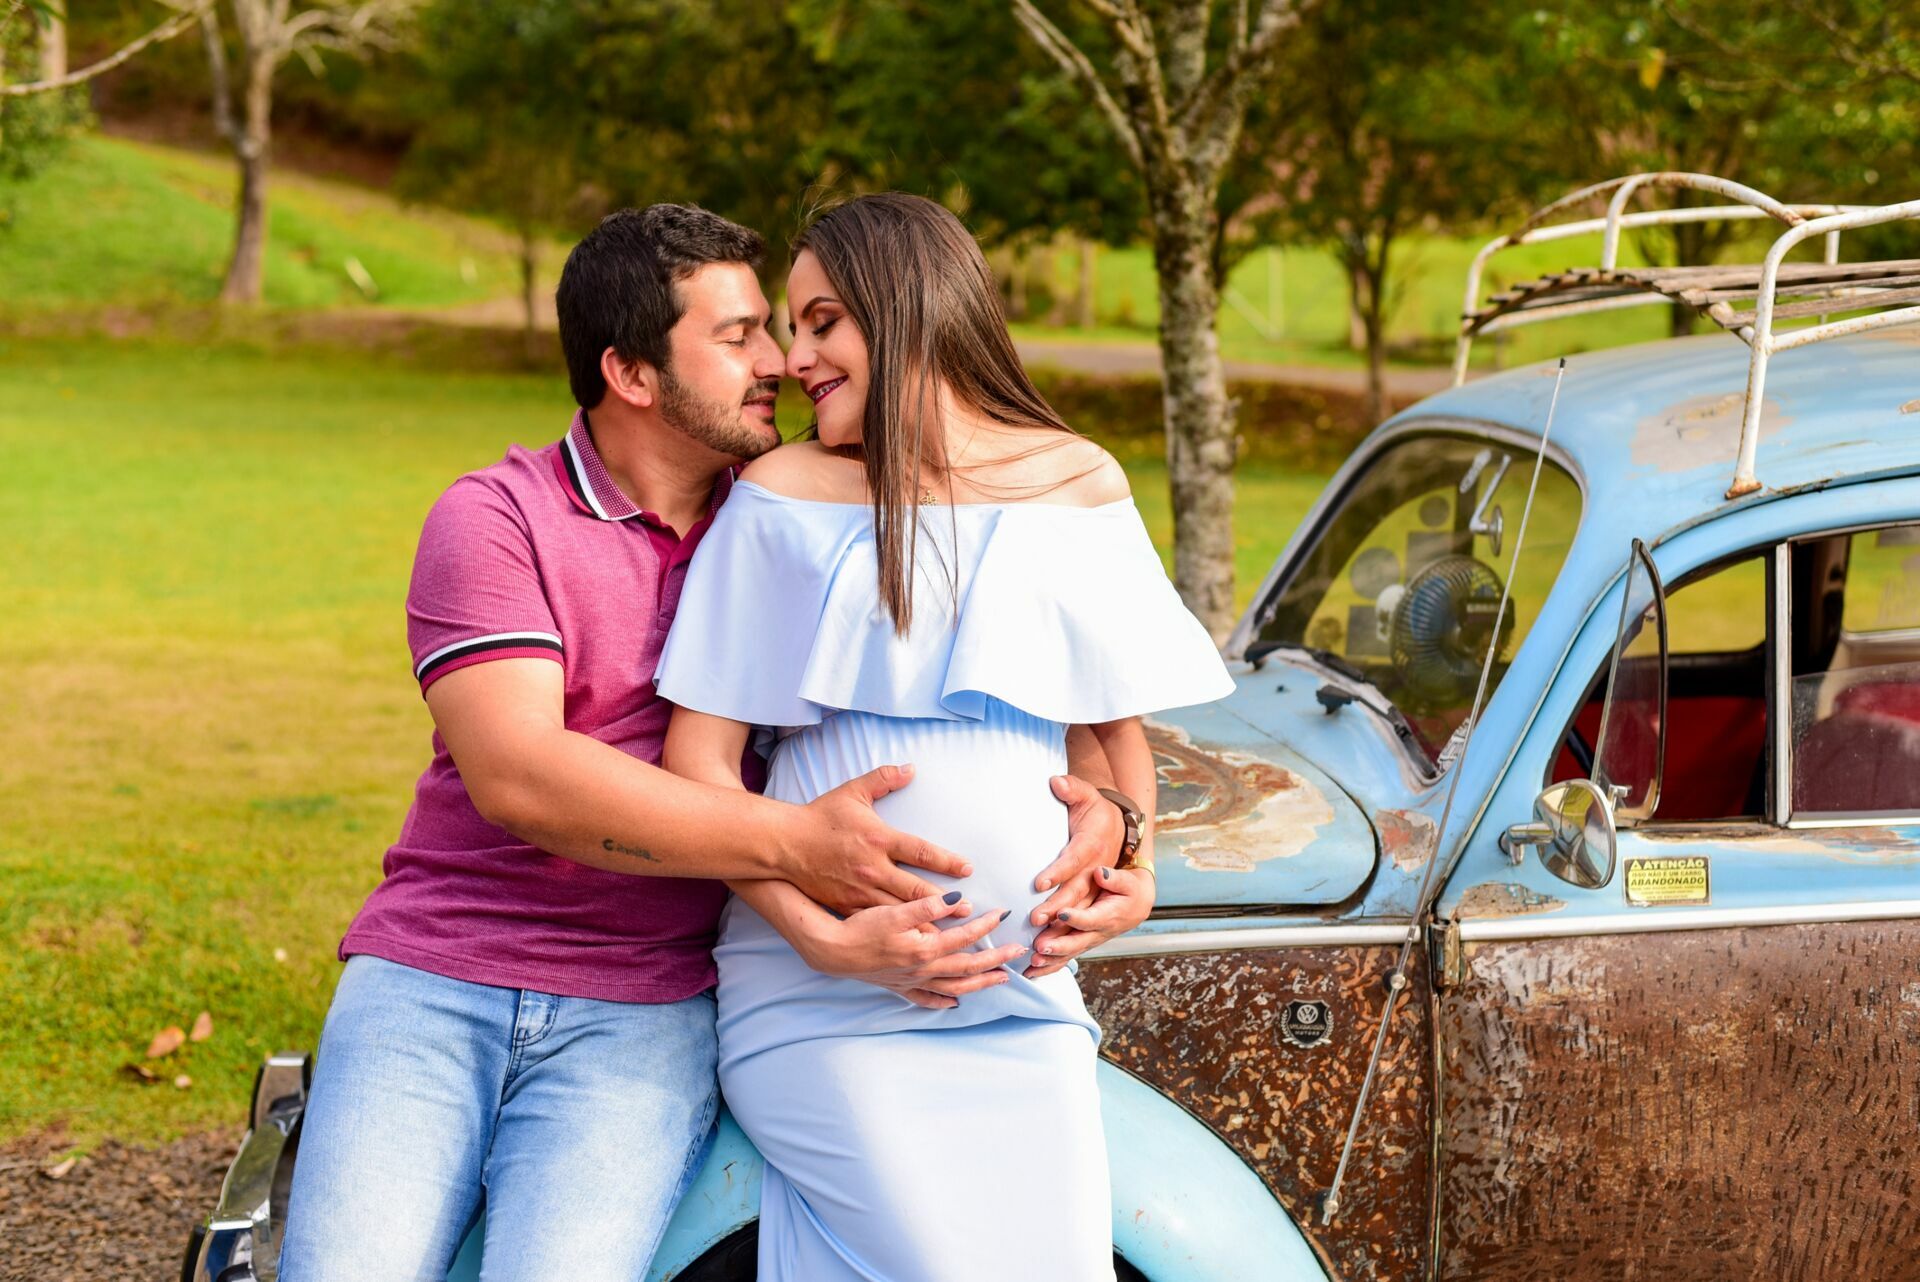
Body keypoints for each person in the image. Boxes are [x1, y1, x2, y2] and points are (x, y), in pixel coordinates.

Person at [279, 203, 1138, 1282]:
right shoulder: (496, 518)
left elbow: (1026, 648)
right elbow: (521, 776)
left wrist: (1120, 818)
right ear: (633, 374)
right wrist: (797, 852)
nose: (779, 359)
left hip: (643, 1002)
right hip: (439, 972)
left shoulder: (794, 513)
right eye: (740, 337)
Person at [658, 193, 1233, 1282]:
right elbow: (696, 770)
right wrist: (824, 937)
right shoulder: (781, 498)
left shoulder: (1078, 485)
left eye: (824, 321)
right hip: (827, 1006)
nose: (797, 356)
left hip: (1025, 1005)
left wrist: (1137, 871)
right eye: (794, 325)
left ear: (906, 307)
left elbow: (1115, 749)